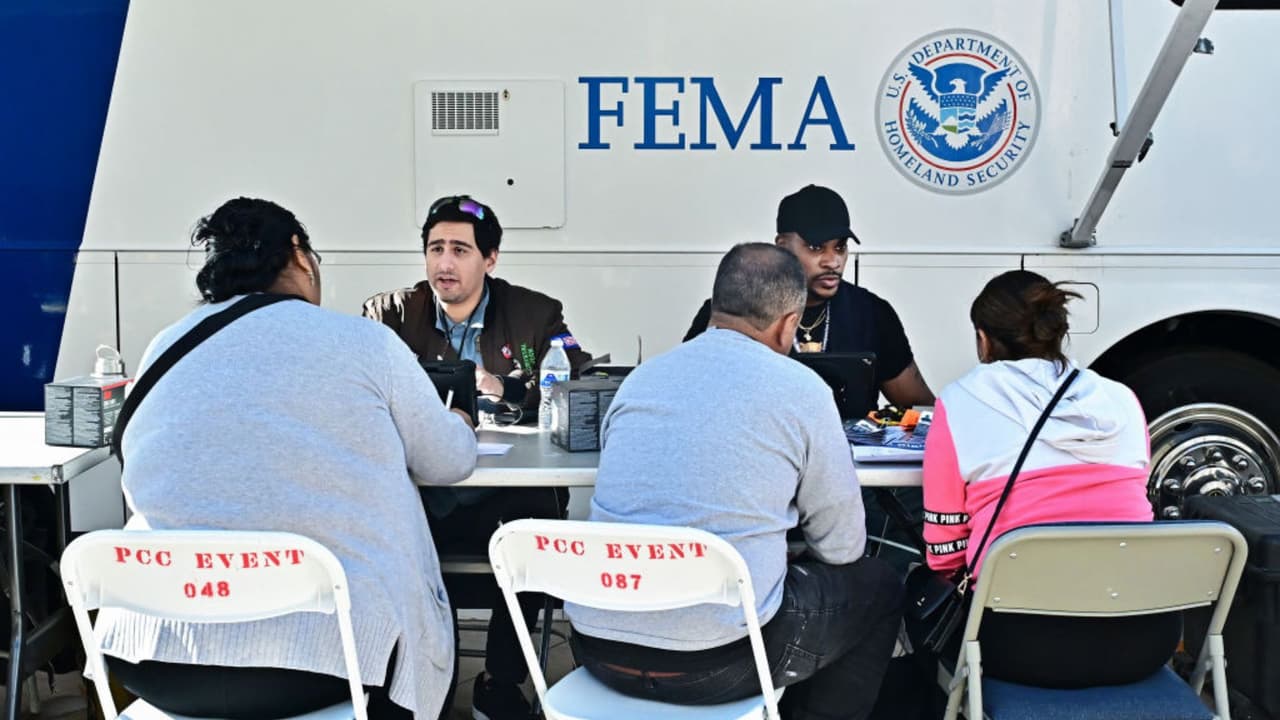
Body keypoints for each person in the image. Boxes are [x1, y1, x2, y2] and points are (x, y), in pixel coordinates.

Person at [98, 198, 478, 720]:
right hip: (329, 658)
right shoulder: (365, 342)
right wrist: (459, 422)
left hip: (156, 654)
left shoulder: (165, 346)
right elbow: (446, 463)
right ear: (300, 257)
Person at [567, 243, 903, 720]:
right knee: (880, 585)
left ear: (716, 305)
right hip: (721, 662)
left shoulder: (640, 381)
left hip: (599, 649)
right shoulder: (803, 389)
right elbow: (843, 547)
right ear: (790, 324)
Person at [362, 194, 588, 720]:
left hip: (505, 490)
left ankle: (499, 681)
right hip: (420, 492)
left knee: (539, 524)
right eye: (435, 248)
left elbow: (573, 377)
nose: (445, 263)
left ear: (491, 259)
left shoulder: (538, 313)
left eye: (460, 250)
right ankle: (416, 679)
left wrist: (510, 388)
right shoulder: (388, 315)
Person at [921, 269, 1172, 687]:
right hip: (1142, 641)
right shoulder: (1123, 400)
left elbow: (943, 555)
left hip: (1020, 647)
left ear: (983, 340)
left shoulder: (960, 402)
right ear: (1056, 332)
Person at [683, 184, 934, 412]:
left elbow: (920, 408)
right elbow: (689, 393)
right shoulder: (733, 309)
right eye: (816, 247)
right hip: (764, 455)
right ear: (782, 246)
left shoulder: (871, 312)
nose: (832, 261)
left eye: (840, 247)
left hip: (848, 460)